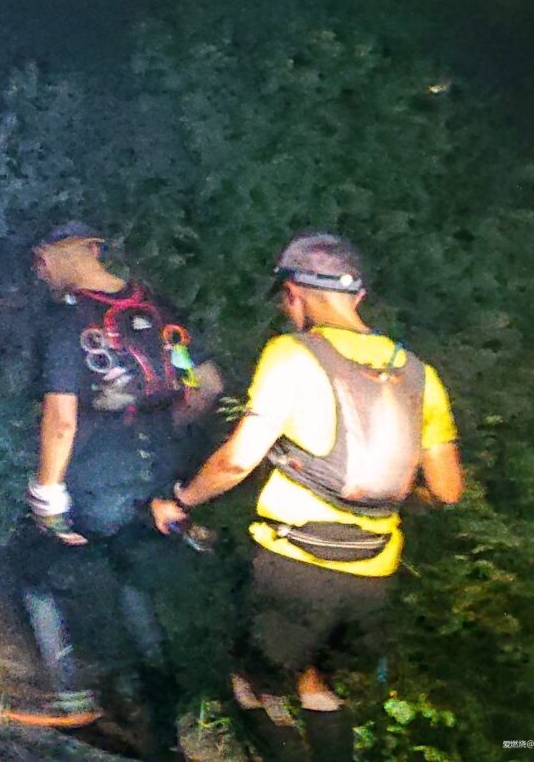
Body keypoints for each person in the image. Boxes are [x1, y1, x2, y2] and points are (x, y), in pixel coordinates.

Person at [149, 234, 462, 762]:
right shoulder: (417, 373)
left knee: (252, 684)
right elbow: (449, 490)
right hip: (373, 572)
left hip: (295, 564)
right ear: (357, 296)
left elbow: (236, 460)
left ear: (293, 293)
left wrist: (181, 500)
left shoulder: (293, 353)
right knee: (318, 684)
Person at [5, 223, 225, 755]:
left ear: (78, 252)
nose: (40, 267)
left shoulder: (67, 320)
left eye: (44, 256)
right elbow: (209, 387)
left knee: (32, 568)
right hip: (158, 481)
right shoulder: (161, 307)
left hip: (93, 479)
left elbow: (61, 417)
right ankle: (166, 739)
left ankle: (70, 697)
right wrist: (163, 430)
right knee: (137, 594)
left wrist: (48, 494)